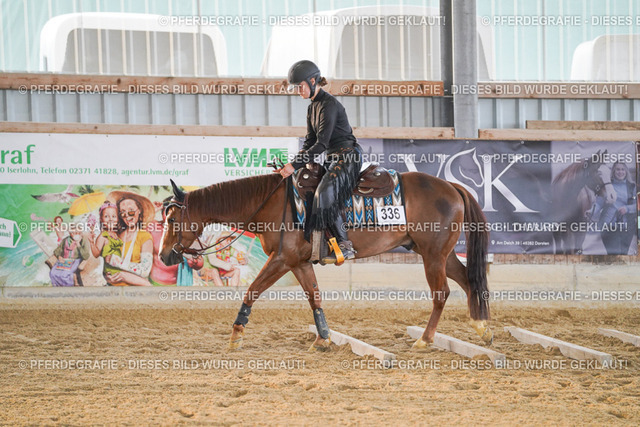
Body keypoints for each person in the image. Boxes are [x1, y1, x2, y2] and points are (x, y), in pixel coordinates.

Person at [276, 60, 362, 262]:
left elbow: (321, 144)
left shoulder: (329, 105)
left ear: (312, 81)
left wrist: (293, 166)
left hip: (347, 156)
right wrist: (293, 164)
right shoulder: (312, 108)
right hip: (333, 158)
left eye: (300, 86)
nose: (298, 91)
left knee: (324, 192)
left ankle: (345, 245)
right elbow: (309, 142)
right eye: (296, 87)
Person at [103, 192, 154, 286]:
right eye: (123, 212)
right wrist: (107, 277)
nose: (127, 215)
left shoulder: (145, 237)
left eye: (131, 211)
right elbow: (106, 264)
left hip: (134, 290)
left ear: (139, 210)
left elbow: (145, 270)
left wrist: (116, 263)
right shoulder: (116, 236)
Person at [591, 162, 637, 255]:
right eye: (618, 169)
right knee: (613, 255)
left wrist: (627, 209)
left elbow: (637, 205)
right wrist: (591, 212)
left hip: (627, 227)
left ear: (626, 171)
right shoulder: (607, 186)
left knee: (623, 255)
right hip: (608, 227)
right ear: (613, 171)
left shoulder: (632, 187)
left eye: (622, 169)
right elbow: (599, 203)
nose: (620, 172)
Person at [90, 202, 124, 276]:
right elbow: (96, 254)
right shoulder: (103, 236)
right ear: (101, 219)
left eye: (114, 216)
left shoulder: (117, 234)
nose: (110, 219)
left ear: (118, 218)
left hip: (121, 268)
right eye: (106, 216)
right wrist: (92, 243)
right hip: (111, 272)